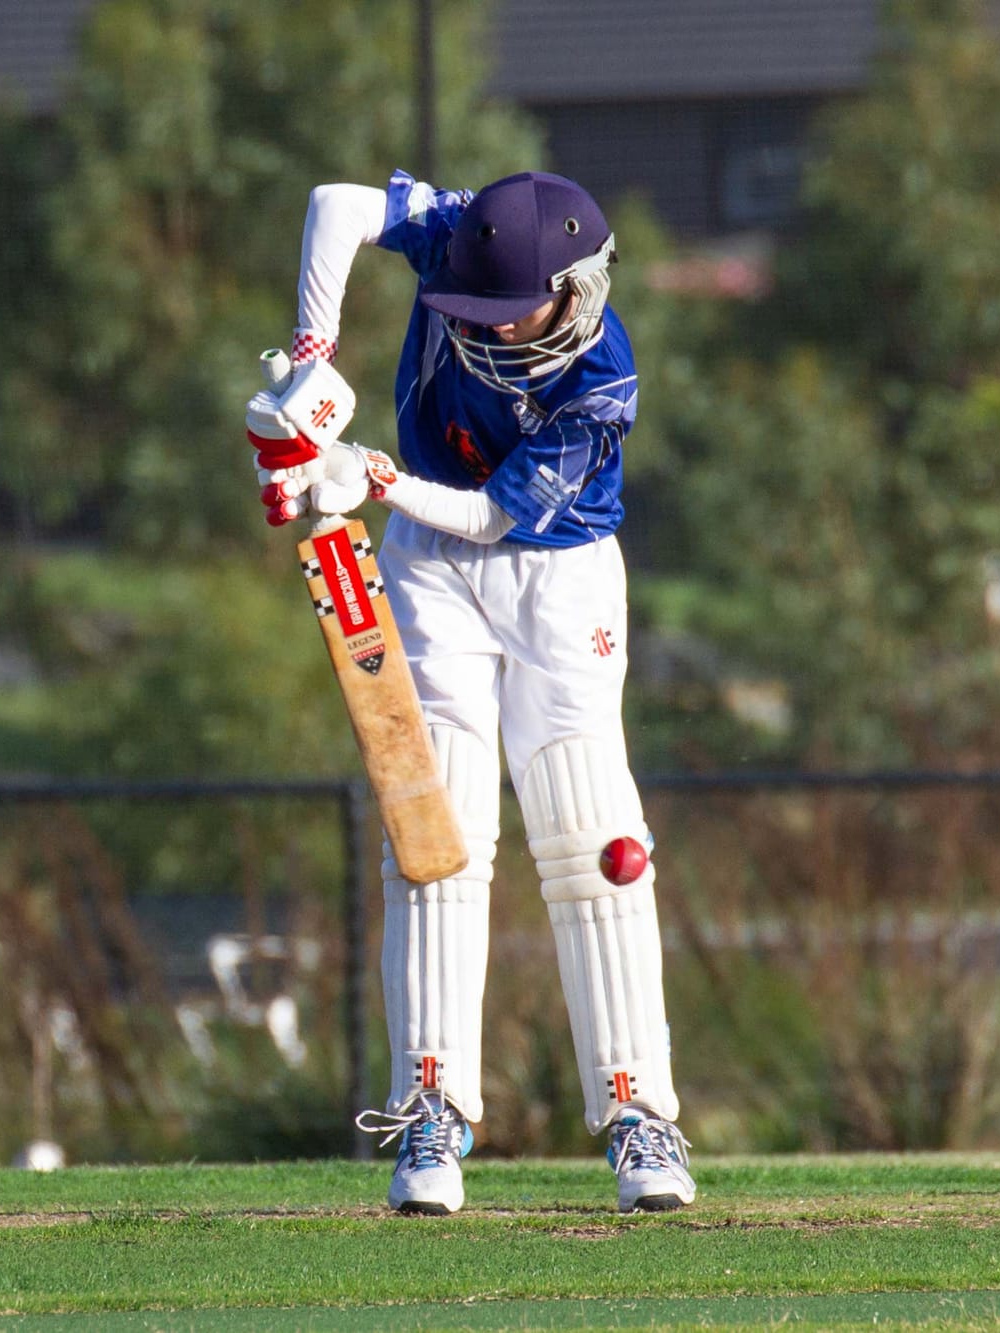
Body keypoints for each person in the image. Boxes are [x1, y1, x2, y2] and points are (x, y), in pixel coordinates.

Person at [243, 169, 694, 1216]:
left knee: (594, 844)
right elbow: (335, 204)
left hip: (555, 568)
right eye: (472, 312)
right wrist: (311, 363)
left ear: (572, 287)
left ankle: (637, 1114)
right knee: (431, 827)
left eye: (508, 312)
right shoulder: (456, 236)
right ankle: (429, 1109)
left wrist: (370, 478)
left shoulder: (600, 381)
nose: (486, 331)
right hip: (429, 572)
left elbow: (494, 517)